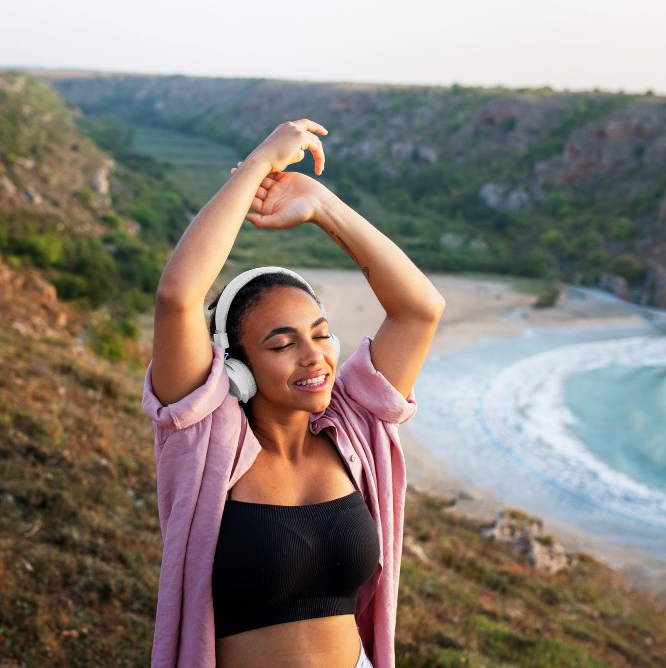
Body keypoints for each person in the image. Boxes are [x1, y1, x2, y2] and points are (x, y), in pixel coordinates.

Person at [142, 119, 444, 667]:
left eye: (322, 335)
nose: (314, 357)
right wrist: (259, 163)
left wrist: (322, 205)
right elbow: (177, 299)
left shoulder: (353, 426)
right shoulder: (206, 441)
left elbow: (420, 310)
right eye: (282, 344)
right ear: (236, 367)